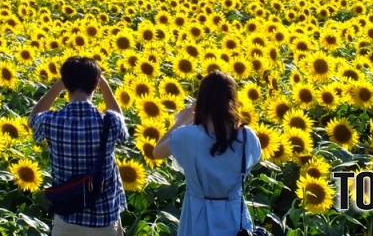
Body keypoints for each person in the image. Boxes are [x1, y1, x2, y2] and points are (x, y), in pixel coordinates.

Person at [152, 71, 262, 236]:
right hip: (234, 216)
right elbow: (252, 160)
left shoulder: (187, 136)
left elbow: (157, 151)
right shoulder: (247, 137)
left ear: (202, 100)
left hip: (198, 215)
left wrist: (184, 119)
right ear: (232, 100)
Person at [29, 56, 129, 235]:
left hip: (67, 217)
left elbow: (33, 117)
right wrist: (104, 85)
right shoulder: (109, 122)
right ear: (96, 84)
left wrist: (59, 84)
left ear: (66, 84)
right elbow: (120, 120)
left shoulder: (51, 121)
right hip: (104, 219)